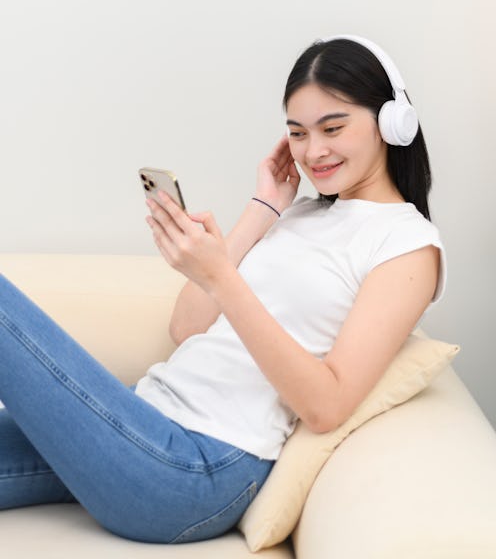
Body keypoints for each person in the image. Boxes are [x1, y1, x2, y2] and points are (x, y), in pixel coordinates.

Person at [0, 34, 446, 544]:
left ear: (392, 122)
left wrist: (222, 278)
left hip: (195, 467)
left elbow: (326, 405)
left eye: (333, 128)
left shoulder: (408, 245)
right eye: (297, 133)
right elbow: (186, 327)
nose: (313, 151)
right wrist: (263, 208)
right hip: (145, 419)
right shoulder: (299, 212)